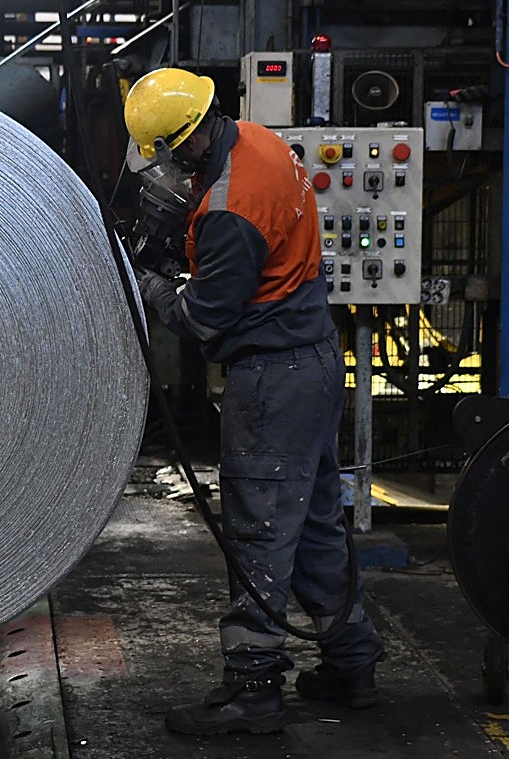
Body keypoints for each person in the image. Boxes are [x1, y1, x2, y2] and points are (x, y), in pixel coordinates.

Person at [123, 67, 384, 736]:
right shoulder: (259, 141)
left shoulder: (229, 212)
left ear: (184, 143)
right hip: (314, 358)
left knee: (259, 532)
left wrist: (146, 285)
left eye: (165, 155)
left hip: (273, 380)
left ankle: (253, 690)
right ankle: (352, 665)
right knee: (318, 523)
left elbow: (206, 318)